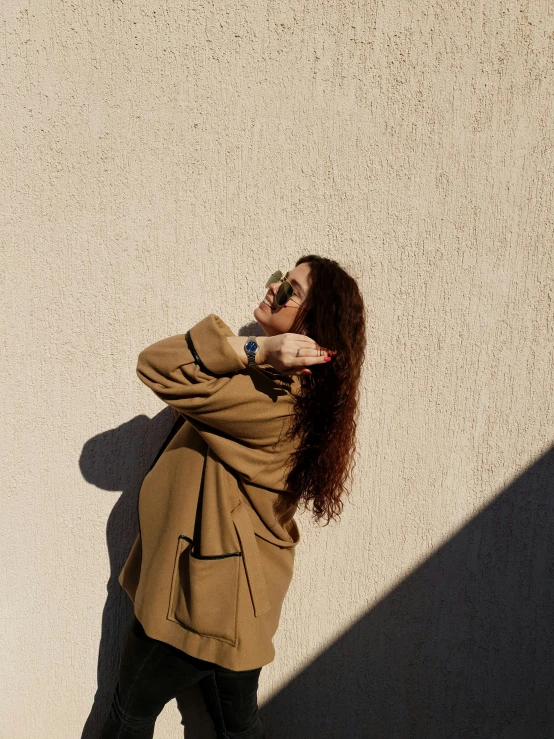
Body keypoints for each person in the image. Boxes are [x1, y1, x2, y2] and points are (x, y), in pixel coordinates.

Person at [100, 255, 367, 739]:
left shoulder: (275, 402)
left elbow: (157, 366)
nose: (274, 290)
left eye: (291, 292)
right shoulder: (290, 397)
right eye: (279, 280)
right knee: (237, 728)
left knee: (126, 717)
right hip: (241, 602)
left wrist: (256, 350)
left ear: (311, 325)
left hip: (194, 601)